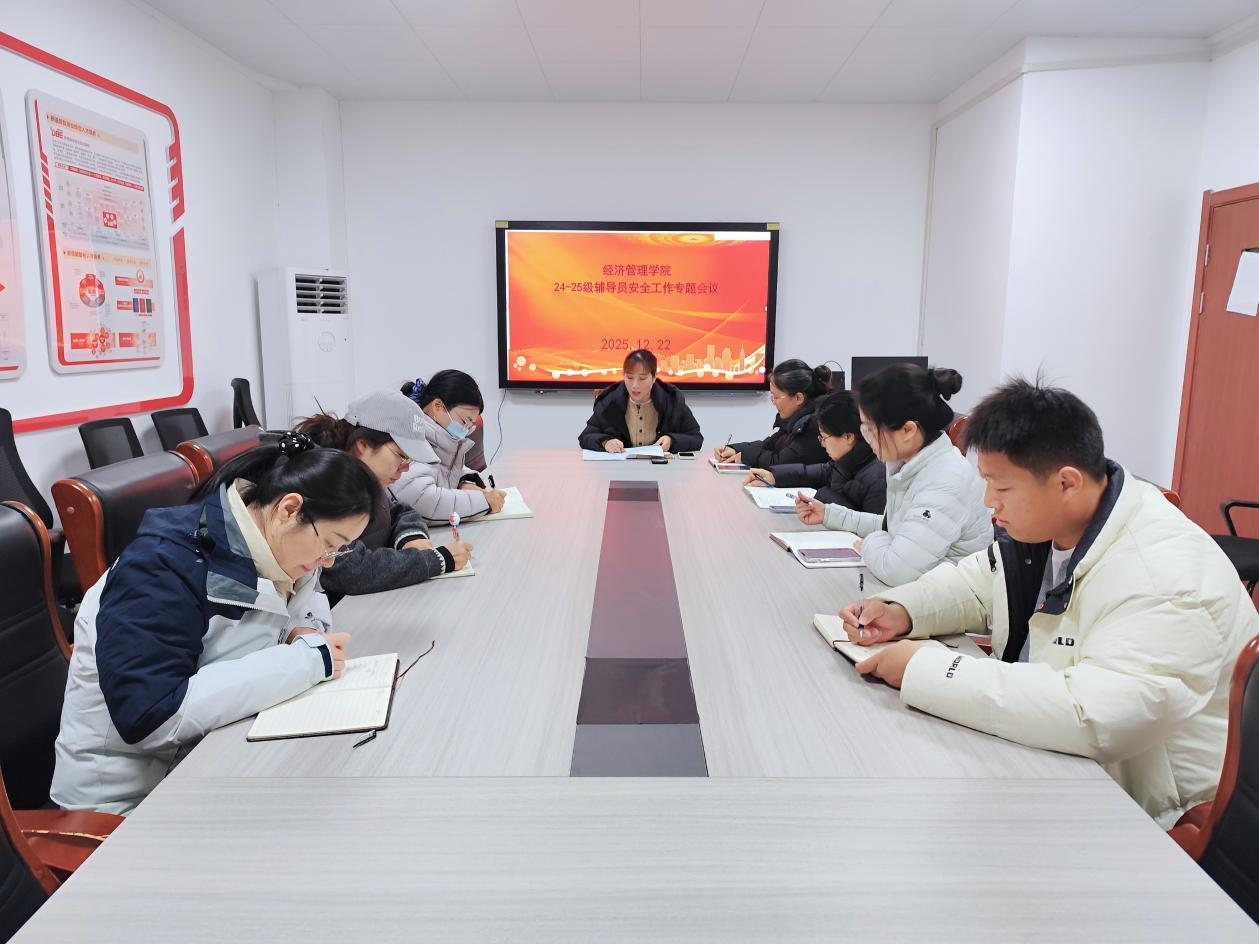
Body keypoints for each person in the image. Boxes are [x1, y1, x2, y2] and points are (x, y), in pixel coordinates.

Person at [839, 379, 1257, 828]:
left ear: (1066, 483)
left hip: (1155, 814)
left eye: (1000, 488)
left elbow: (1093, 715)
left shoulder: (1164, 576)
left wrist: (928, 668)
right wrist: (902, 610)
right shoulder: (1052, 528)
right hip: (1061, 765)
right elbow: (979, 584)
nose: (989, 502)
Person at [51, 433, 378, 814]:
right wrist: (305, 661)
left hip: (209, 759)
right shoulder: (160, 568)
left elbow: (305, 597)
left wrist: (300, 629)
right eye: (331, 544)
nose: (330, 560)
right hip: (131, 801)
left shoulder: (272, 542)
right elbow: (152, 717)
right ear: (289, 509)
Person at [796, 364, 990, 585]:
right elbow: (895, 527)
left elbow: (896, 570)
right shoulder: (908, 464)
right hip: (924, 589)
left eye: (870, 429)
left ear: (908, 430)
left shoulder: (945, 480)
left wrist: (871, 544)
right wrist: (829, 515)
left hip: (951, 596)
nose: (866, 438)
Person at [296, 390, 474, 601]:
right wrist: (436, 560)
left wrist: (411, 538)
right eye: (401, 456)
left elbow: (400, 511)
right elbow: (346, 568)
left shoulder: (364, 480)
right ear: (363, 445)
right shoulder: (324, 484)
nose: (405, 468)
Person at [393, 371, 507, 525]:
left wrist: (465, 481)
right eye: (464, 421)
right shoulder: (411, 438)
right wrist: (484, 502)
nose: (466, 429)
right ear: (437, 406)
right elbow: (422, 500)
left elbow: (445, 468)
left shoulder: (439, 437)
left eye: (471, 424)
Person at [744, 389, 885, 514]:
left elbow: (870, 527)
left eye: (824, 437)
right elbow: (822, 472)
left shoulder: (877, 480)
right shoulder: (850, 460)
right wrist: (774, 476)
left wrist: (823, 496)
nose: (822, 444)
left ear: (848, 437)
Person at [578, 348, 703, 454]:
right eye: (629, 377)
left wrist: (672, 440)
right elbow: (585, 437)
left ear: (654, 378)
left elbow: (696, 438)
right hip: (619, 470)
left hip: (661, 470)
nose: (635, 385)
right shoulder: (609, 401)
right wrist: (605, 442)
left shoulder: (672, 400)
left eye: (642, 379)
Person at [713, 359, 832, 468]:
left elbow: (779, 463)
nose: (773, 402)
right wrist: (735, 449)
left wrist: (745, 456)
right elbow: (767, 445)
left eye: (776, 397)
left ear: (798, 398)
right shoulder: (793, 421)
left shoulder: (816, 425)